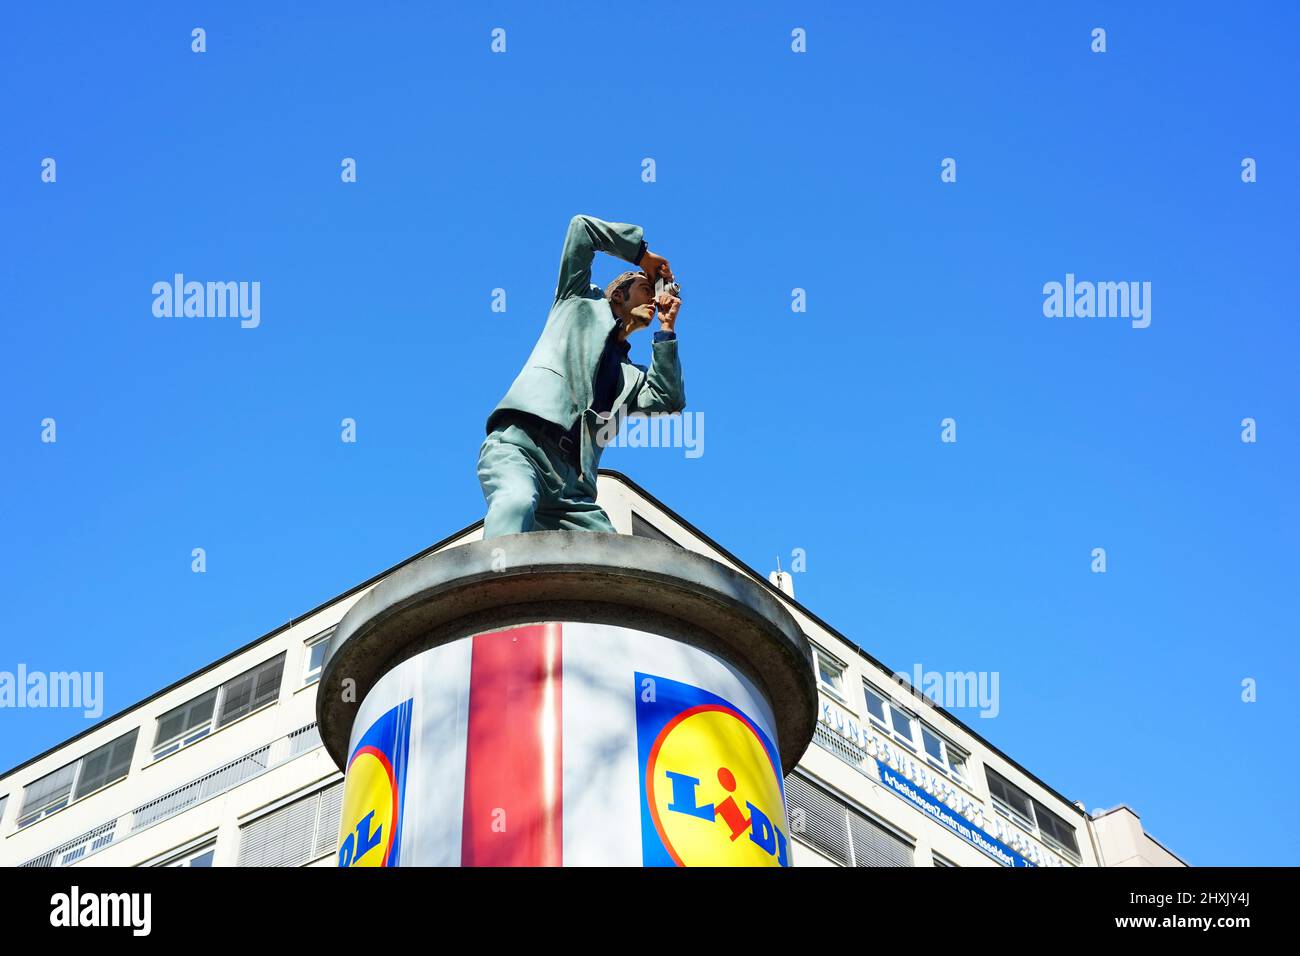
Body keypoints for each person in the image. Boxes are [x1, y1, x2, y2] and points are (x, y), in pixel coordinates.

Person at [477, 214, 686, 539]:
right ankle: (487, 587)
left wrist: (667, 330)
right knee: (516, 503)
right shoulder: (576, 302)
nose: (653, 300)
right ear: (618, 295)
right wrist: (643, 256)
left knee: (614, 556)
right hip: (521, 446)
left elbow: (668, 399)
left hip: (572, 490)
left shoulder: (630, 377)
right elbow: (581, 229)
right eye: (646, 290)